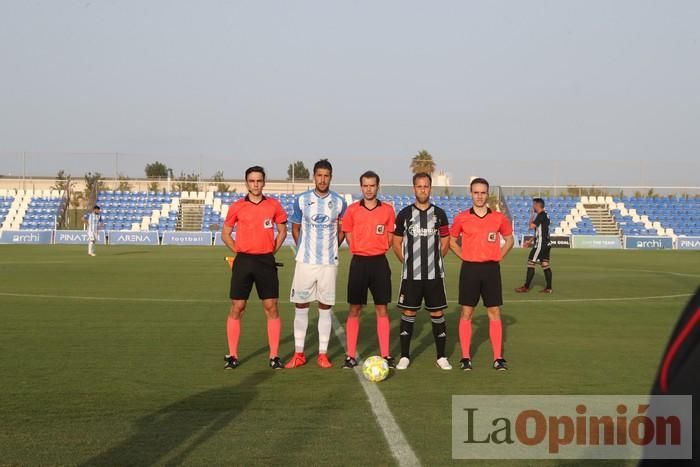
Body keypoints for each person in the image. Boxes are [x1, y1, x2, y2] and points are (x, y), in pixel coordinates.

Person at [221, 166, 288, 370]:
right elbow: (226, 233)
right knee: (237, 307)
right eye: (252, 181)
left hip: (266, 261)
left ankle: (274, 356)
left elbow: (283, 231)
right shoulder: (237, 207)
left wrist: (271, 252)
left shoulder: (274, 205)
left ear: (264, 182)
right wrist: (239, 250)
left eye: (259, 181)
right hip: (243, 261)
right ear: (246, 182)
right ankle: (232, 355)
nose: (255, 184)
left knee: (271, 307)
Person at [285, 159, 347, 369]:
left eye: (326, 175)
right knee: (301, 306)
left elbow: (341, 231)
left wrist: (333, 249)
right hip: (305, 262)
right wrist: (303, 247)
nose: (322, 179)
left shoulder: (339, 202)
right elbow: (295, 228)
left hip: (328, 263)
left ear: (331, 177)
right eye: (319, 175)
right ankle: (299, 353)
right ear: (314, 176)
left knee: (325, 307)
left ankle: (322, 354)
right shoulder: (301, 200)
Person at [449, 177, 514, 371]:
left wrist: (498, 257)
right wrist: (465, 257)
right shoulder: (461, 217)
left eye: (483, 192)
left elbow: (509, 240)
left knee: (494, 312)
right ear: (471, 194)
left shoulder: (498, 218)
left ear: (487, 194)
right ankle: (466, 357)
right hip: (469, 269)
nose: (479, 196)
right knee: (467, 312)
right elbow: (452, 241)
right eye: (476, 192)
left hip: (491, 270)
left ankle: (498, 358)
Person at [392, 172, 452, 370]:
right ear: (414, 189)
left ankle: (441, 357)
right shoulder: (404, 214)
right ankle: (405, 356)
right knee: (408, 312)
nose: (423, 190)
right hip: (411, 275)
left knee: (437, 313)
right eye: (419, 186)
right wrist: (407, 261)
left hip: (434, 275)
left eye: (426, 186)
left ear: (430, 189)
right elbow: (396, 241)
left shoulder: (439, 214)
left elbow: (445, 240)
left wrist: (437, 259)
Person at [341, 171, 396, 369]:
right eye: (365, 185)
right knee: (355, 309)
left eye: (372, 185)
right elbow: (347, 232)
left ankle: (386, 354)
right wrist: (360, 248)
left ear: (377, 186)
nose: (369, 189)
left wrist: (376, 248)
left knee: (382, 308)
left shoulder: (388, 210)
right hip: (359, 263)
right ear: (361, 187)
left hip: (379, 263)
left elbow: (390, 237)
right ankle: (350, 355)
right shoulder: (353, 210)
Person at [515, 198, 553, 293]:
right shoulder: (545, 215)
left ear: (537, 205)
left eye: (533, 205)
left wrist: (532, 215)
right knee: (545, 265)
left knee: (531, 263)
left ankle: (526, 287)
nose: (532, 207)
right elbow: (541, 231)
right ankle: (548, 288)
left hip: (541, 244)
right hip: (546, 243)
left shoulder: (541, 215)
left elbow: (531, 226)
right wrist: (530, 241)